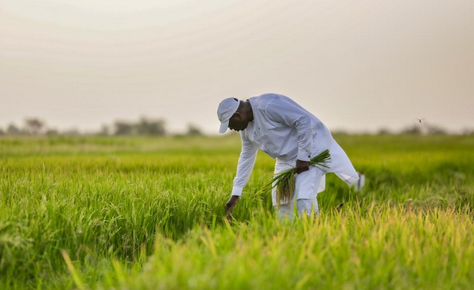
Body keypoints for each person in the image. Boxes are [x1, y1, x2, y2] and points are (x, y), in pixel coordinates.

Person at [218, 93, 360, 220]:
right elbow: (246, 158)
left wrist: (303, 156)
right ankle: (288, 236)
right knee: (281, 202)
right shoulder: (246, 131)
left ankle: (313, 232)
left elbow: (303, 121)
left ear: (237, 115)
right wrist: (236, 194)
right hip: (286, 158)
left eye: (230, 124)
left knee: (303, 197)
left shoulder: (268, 105)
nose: (232, 129)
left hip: (313, 145)